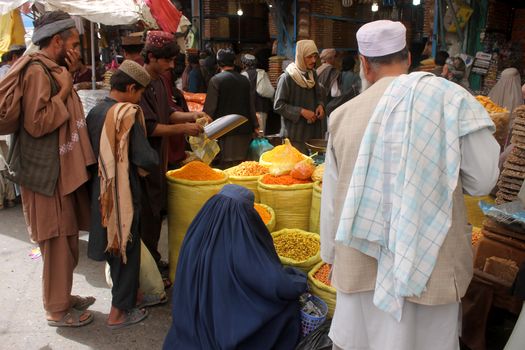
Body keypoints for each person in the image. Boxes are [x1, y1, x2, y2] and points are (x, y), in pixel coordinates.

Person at [320, 20, 500, 350]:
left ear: (363, 63)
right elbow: (483, 180)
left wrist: (333, 257)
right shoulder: (451, 100)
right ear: (407, 57)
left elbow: (332, 203)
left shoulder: (342, 116)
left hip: (361, 267)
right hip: (432, 267)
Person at [0, 11, 97, 327]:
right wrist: (66, 88)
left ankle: (63, 298)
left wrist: (69, 77)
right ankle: (55, 310)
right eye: (74, 42)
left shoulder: (51, 69)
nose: (78, 49)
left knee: (66, 237)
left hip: (57, 170)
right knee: (56, 240)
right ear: (57, 41)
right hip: (45, 174)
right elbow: (38, 122)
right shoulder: (38, 72)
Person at [163, 185, 307, 349]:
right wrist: (297, 280)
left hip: (190, 321)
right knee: (288, 307)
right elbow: (273, 284)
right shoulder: (242, 247)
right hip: (228, 328)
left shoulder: (195, 233)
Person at [86, 60, 158, 329]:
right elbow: (144, 158)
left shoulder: (95, 112)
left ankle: (131, 296)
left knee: (115, 249)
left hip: (100, 191)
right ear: (130, 88)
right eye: (139, 93)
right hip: (123, 193)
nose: (139, 99)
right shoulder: (126, 114)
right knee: (125, 250)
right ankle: (119, 313)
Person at [139, 30, 206, 269]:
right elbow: (149, 127)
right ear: (151, 57)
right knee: (146, 216)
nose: (170, 65)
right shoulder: (139, 82)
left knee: (156, 212)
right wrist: (183, 129)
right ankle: (146, 270)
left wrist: (193, 115)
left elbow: (167, 112)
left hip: (160, 158)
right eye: (166, 60)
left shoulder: (158, 79)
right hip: (144, 160)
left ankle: (154, 260)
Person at [203, 48, 259, 168]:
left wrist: (204, 128)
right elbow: (251, 106)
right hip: (244, 130)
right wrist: (256, 126)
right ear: (234, 62)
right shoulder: (245, 80)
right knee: (242, 167)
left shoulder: (216, 80)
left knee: (225, 167)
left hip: (223, 132)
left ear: (218, 63)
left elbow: (209, 109)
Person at [274, 40, 325, 153]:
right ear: (301, 56)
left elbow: (318, 95)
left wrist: (320, 105)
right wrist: (301, 111)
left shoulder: (312, 74)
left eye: (315, 56)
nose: (313, 60)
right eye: (309, 57)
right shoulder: (287, 78)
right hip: (294, 137)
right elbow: (278, 105)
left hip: (312, 134)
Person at [241, 53, 275, 135]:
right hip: (261, 109)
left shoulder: (243, 75)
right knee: (260, 134)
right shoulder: (262, 73)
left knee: (249, 135)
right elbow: (270, 92)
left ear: (244, 64)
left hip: (248, 111)